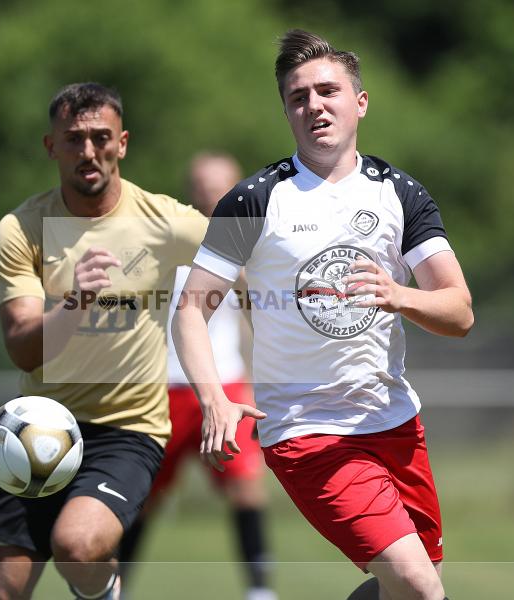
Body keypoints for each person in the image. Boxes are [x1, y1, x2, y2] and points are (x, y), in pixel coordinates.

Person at [172, 30, 473, 600]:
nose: (315, 105)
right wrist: (213, 397)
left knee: (413, 586)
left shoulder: (399, 194)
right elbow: (191, 308)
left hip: (395, 423)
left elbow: (458, 311)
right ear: (287, 110)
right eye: (298, 96)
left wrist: (400, 295)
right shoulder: (254, 199)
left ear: (359, 101)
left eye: (328, 90)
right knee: (419, 586)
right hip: (307, 431)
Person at [0, 82, 207, 600]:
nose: (88, 151)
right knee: (1, 591)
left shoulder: (164, 222)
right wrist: (76, 302)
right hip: (37, 423)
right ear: (51, 146)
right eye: (74, 138)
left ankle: (105, 591)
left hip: (128, 428)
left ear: (122, 142)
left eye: (101, 137)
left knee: (77, 546)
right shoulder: (23, 228)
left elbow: (251, 262)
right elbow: (23, 349)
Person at [117, 153, 277, 600]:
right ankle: (114, 588)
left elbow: (262, 317)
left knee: (246, 487)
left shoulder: (249, 248)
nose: (212, 192)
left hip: (224, 385)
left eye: (220, 184)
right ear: (190, 189)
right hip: (162, 389)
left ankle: (260, 590)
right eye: (202, 184)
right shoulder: (166, 244)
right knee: (143, 498)